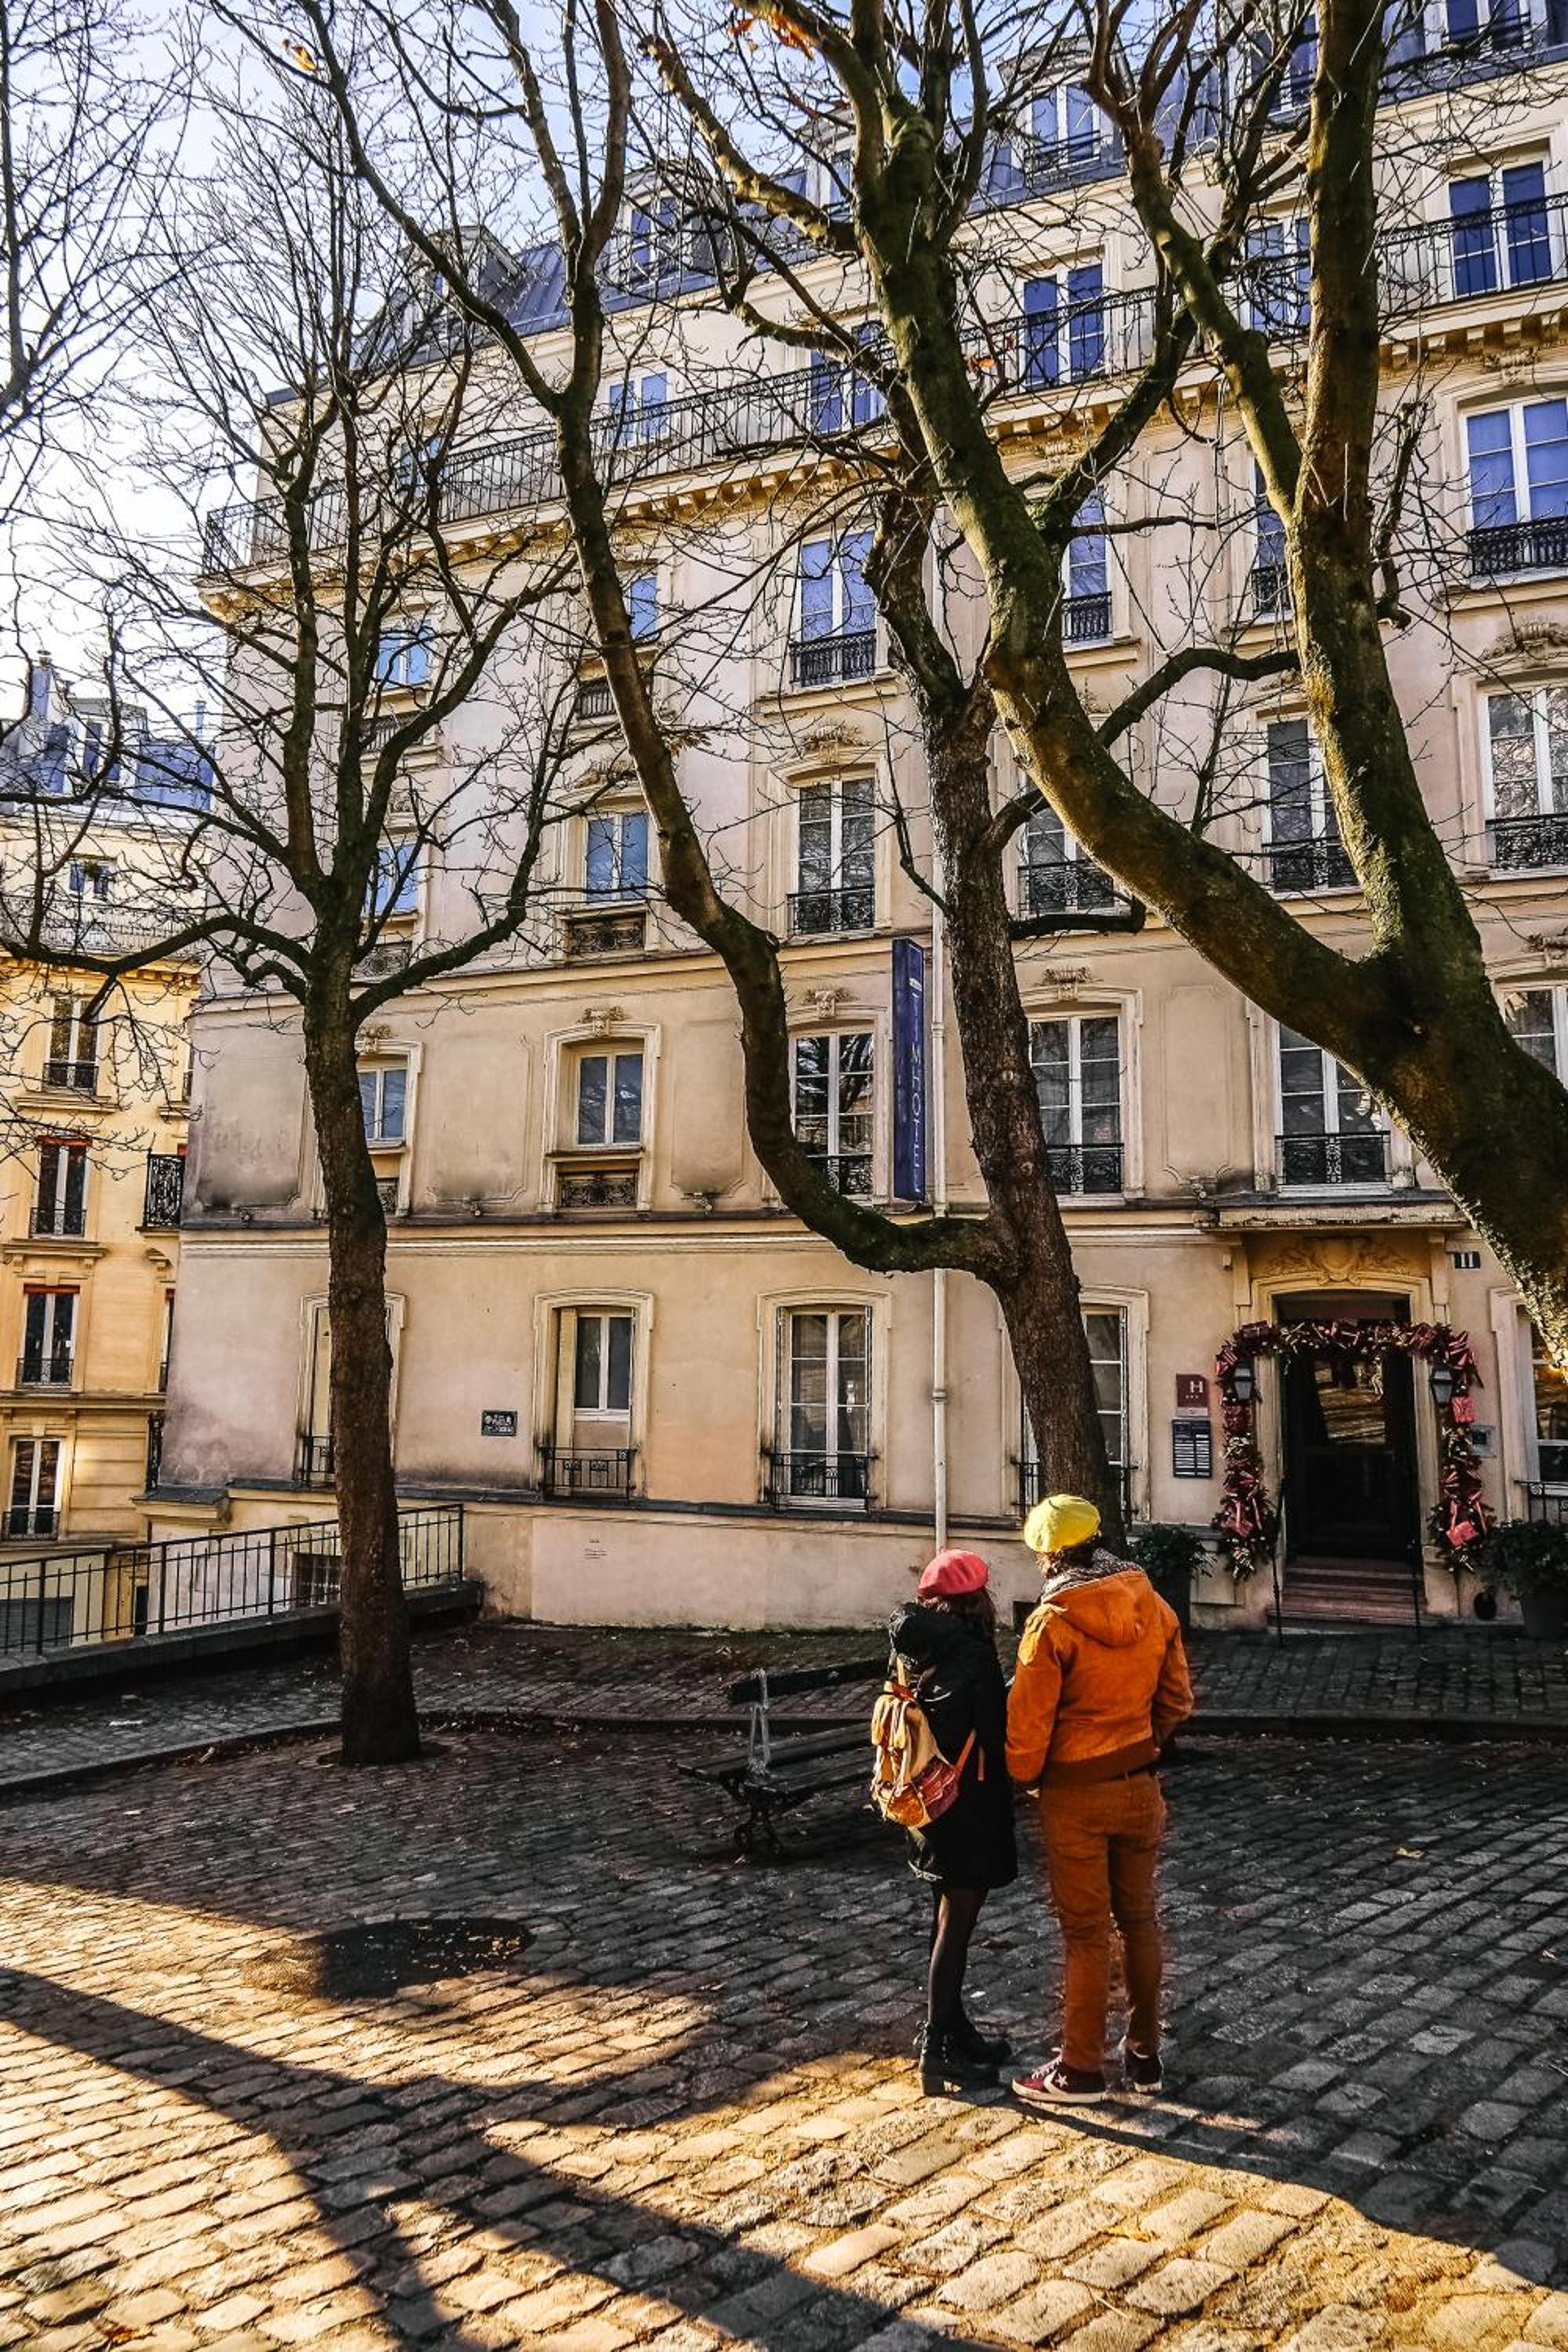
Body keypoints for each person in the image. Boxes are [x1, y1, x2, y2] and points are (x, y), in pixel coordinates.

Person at [1005, 1494, 1192, 2103]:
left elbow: (1027, 1727)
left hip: (1075, 1796)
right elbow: (1177, 1699)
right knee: (1139, 1920)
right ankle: (1144, 2056)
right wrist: (1146, 1743)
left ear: (1049, 1555)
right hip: (1140, 1785)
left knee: (1085, 1932)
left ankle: (1079, 2068)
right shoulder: (1153, 1604)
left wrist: (1026, 1777)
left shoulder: (1052, 1622)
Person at [888, 1548, 1018, 2096]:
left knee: (946, 1919)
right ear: (976, 1600)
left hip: (926, 1797)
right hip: (968, 1803)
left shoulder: (911, 1646)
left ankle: (955, 2027)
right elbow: (992, 1729)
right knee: (955, 1926)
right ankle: (936, 2048)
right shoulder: (973, 1653)